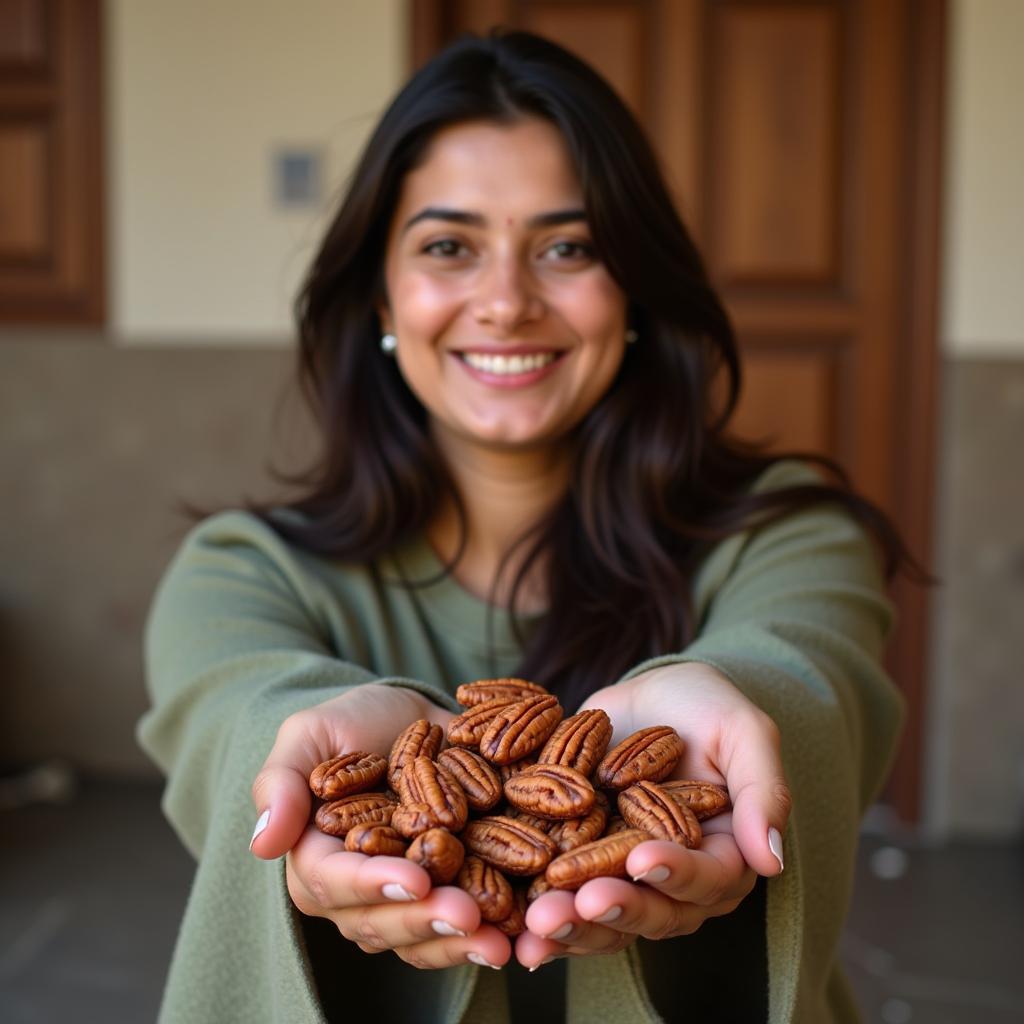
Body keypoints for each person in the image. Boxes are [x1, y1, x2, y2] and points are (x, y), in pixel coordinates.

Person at [139, 29, 914, 1024]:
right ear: (380, 291)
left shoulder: (788, 532)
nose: (504, 302)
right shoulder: (240, 571)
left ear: (633, 288)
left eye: (567, 246)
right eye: (448, 246)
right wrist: (337, 750)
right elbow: (242, 718)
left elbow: (804, 675)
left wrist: (716, 711)